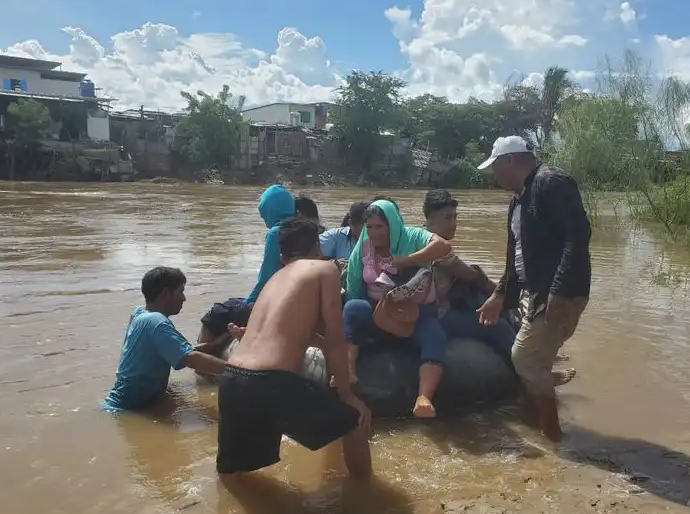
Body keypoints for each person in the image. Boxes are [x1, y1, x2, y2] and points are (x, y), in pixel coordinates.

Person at [217, 217, 372, 477]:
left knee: (235, 476)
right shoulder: (324, 269)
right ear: (317, 249)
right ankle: (367, 500)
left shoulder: (274, 280)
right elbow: (335, 336)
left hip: (232, 380)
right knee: (356, 419)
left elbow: (303, 334)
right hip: (270, 382)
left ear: (282, 254)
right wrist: (347, 393)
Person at [475, 136, 591, 442]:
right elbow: (516, 256)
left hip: (555, 293)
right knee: (535, 361)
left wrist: (559, 291)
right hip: (534, 291)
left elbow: (577, 237)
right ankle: (532, 421)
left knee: (524, 358)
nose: (495, 178)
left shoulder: (550, 182)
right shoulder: (519, 199)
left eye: (496, 169)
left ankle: (552, 434)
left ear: (510, 161)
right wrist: (500, 294)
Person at [423, 189, 576, 386]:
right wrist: (502, 293)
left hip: (444, 303)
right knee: (496, 324)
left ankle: (537, 353)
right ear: (430, 220)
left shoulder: (425, 237)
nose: (453, 223)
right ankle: (532, 373)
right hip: (438, 316)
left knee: (496, 305)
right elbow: (472, 276)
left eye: (455, 217)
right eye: (447, 218)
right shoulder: (433, 245)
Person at [343, 199, 452, 418]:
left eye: (380, 226)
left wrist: (407, 261)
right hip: (379, 311)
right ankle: (349, 372)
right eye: (370, 227)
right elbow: (354, 284)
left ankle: (424, 398)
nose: (374, 233)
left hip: (417, 312)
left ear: (392, 224)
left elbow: (444, 246)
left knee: (435, 336)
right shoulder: (363, 247)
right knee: (354, 307)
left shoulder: (412, 236)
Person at [104, 267, 229, 412]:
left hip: (124, 402)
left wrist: (213, 345)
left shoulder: (140, 314)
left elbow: (175, 352)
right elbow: (190, 358)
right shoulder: (157, 322)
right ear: (166, 294)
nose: (184, 298)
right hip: (128, 409)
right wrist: (238, 370)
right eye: (181, 291)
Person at [197, 184, 295, 351]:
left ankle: (205, 362)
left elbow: (267, 276)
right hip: (291, 297)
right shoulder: (303, 228)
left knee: (216, 312)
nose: (263, 218)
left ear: (270, 209)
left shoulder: (276, 233)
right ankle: (224, 339)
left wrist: (249, 302)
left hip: (274, 300)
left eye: (264, 213)